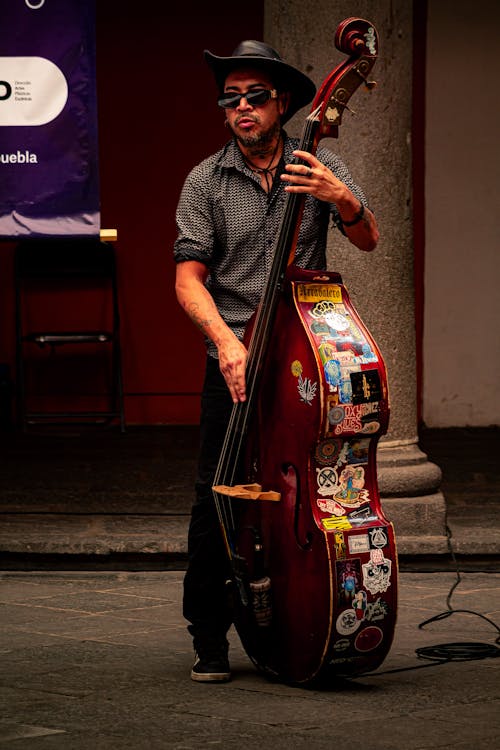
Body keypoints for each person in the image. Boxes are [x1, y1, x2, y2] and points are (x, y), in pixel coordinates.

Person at [173, 39, 379, 683]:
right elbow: (187, 279)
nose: (241, 107)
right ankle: (209, 633)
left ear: (283, 103)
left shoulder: (321, 162)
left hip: (304, 358)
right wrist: (227, 342)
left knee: (313, 494)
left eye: (255, 97)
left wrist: (339, 195)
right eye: (230, 98)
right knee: (218, 498)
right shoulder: (205, 180)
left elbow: (367, 236)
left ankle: (317, 609)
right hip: (234, 357)